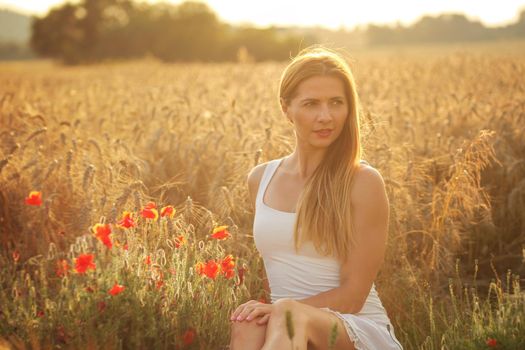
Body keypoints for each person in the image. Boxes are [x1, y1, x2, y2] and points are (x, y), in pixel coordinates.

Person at [229, 45, 403, 350]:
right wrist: (272, 314)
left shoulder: (362, 182)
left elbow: (353, 296)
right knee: (247, 323)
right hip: (287, 331)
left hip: (355, 329)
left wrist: (282, 311)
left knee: (288, 313)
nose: (326, 116)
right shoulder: (260, 179)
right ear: (286, 109)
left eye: (336, 103)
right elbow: (276, 273)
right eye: (311, 104)